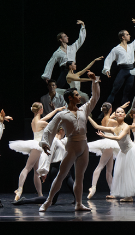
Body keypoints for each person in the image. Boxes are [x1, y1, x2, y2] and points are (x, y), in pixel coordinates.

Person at [37, 71, 101, 212]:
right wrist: (44, 143)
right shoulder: (62, 114)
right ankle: (47, 202)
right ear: (70, 98)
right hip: (71, 146)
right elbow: (49, 129)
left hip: (84, 145)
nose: (80, 97)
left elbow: (95, 98)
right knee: (61, 175)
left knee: (80, 177)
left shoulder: (83, 110)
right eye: (77, 95)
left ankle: (78, 203)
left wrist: (94, 81)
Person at [9, 102, 64, 201]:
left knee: (36, 172)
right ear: (40, 110)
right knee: (27, 168)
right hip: (38, 146)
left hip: (35, 144)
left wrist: (56, 110)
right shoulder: (42, 123)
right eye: (42, 108)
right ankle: (19, 189)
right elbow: (52, 126)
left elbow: (46, 117)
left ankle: (40, 194)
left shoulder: (34, 121)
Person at [13, 127, 77, 206]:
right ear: (61, 130)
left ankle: (77, 199)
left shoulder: (60, 141)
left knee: (69, 179)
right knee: (52, 200)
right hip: (56, 169)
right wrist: (43, 172)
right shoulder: (54, 141)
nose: (66, 133)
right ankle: (25, 201)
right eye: (65, 131)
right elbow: (47, 156)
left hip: (62, 167)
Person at [86, 102, 126, 199]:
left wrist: (121, 107)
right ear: (111, 110)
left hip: (108, 143)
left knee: (109, 171)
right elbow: (120, 123)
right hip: (109, 143)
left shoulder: (104, 119)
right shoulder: (112, 121)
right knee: (100, 166)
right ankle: (93, 187)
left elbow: (111, 117)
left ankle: (113, 192)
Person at [103, 19, 135, 105]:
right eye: (127, 34)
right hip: (123, 70)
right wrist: (107, 69)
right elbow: (109, 58)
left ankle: (123, 112)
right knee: (114, 91)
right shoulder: (116, 49)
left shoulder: (131, 46)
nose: (129, 36)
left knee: (127, 93)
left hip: (132, 70)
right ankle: (104, 112)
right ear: (123, 37)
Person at [42, 20, 87, 89]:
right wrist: (46, 77)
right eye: (65, 36)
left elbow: (81, 39)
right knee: (58, 89)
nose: (67, 37)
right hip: (64, 71)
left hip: (73, 71)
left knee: (76, 89)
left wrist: (83, 26)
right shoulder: (57, 52)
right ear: (61, 39)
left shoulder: (72, 48)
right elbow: (50, 64)